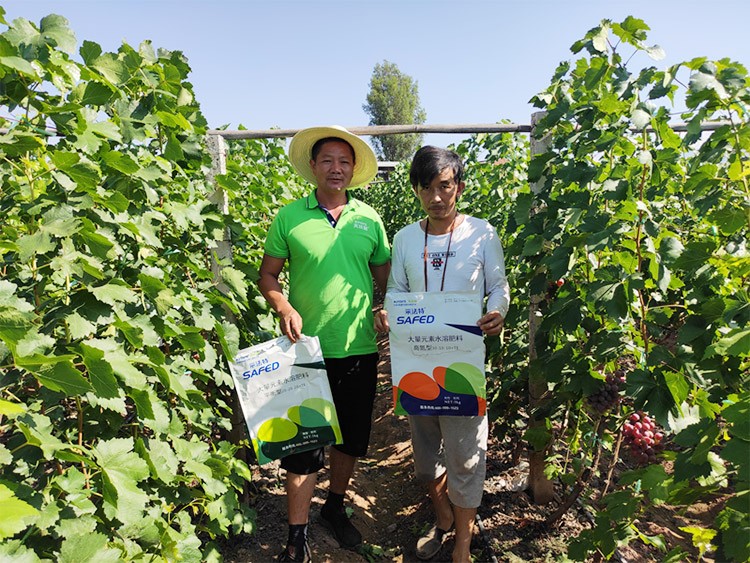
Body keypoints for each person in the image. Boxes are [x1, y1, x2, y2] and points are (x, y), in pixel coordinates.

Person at [258, 125, 391, 562]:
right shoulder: (290, 217)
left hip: (358, 349)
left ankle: (334, 505)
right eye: (328, 161)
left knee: (350, 440)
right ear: (313, 167)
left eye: (345, 162)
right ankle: (297, 536)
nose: (337, 168)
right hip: (305, 353)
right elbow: (268, 275)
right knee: (302, 445)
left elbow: (382, 273)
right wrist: (283, 307)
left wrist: (379, 307)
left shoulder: (369, 219)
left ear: (353, 170)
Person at [374, 146, 510, 563]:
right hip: (417, 363)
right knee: (424, 457)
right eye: (427, 187)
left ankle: (463, 546)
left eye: (444, 186)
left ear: (459, 188)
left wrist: (497, 311)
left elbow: (499, 284)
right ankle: (443, 514)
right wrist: (386, 310)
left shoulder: (482, 234)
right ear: (416, 189)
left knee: (466, 456)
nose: (436, 196)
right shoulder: (405, 239)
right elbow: (396, 289)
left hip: (462, 364)